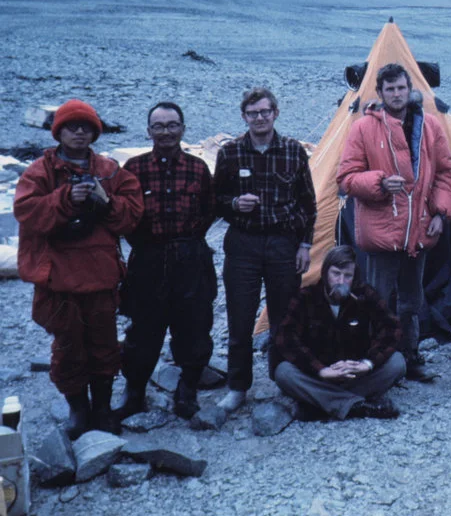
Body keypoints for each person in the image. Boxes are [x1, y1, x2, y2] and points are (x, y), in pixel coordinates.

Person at [14, 99, 143, 438]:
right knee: (68, 345)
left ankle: (102, 407)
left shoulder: (110, 171)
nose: (80, 133)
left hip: (100, 275)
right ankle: (78, 408)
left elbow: (132, 214)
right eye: (72, 127)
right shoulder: (39, 173)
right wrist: (67, 199)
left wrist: (104, 200)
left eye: (87, 128)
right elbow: (27, 213)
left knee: (104, 344)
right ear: (59, 131)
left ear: (95, 133)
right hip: (58, 279)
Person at [337, 63, 451, 382]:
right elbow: (346, 177)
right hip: (381, 233)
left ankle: (409, 356)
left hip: (417, 230)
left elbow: (446, 173)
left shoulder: (429, 126)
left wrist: (441, 214)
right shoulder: (363, 129)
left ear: (410, 89)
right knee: (377, 299)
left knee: (411, 301)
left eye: (401, 88)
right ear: (380, 93)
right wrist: (377, 183)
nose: (396, 94)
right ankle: (376, 360)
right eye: (389, 89)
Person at [213, 87, 317, 413]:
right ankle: (237, 386)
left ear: (275, 113)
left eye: (265, 111)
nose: (259, 118)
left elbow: (308, 203)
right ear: (244, 116)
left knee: (284, 318)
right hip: (242, 244)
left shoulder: (293, 151)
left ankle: (282, 380)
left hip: (283, 244)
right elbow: (214, 201)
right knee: (240, 317)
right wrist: (233, 203)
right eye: (252, 113)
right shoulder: (229, 153)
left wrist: (304, 243)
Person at [115, 102, 217, 421]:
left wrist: (187, 242)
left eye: (172, 125)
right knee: (143, 328)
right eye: (158, 126)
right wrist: (147, 244)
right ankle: (135, 393)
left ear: (183, 129)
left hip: (190, 255)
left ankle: (187, 388)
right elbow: (124, 216)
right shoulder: (132, 168)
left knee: (194, 325)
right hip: (147, 257)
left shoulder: (198, 168)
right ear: (148, 132)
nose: (166, 132)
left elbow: (209, 210)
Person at [274, 246, 405, 421]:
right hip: (320, 375)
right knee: (283, 372)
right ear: (325, 272)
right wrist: (320, 370)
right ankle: (356, 406)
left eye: (347, 276)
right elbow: (286, 338)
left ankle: (322, 404)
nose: (341, 281)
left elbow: (392, 328)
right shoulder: (306, 297)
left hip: (355, 374)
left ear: (354, 276)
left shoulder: (364, 295)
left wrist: (367, 363)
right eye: (336, 274)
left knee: (397, 363)